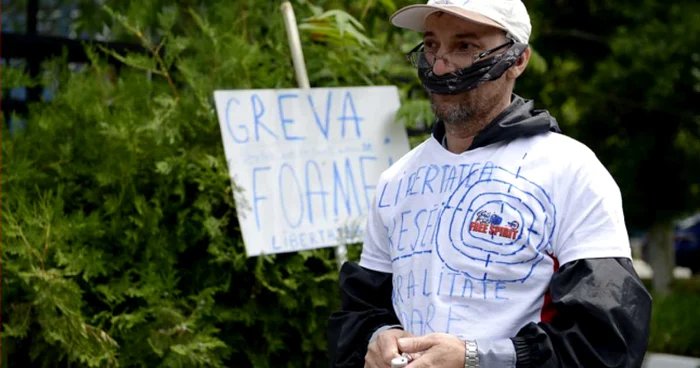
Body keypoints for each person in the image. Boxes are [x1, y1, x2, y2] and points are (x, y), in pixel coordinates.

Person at [327, 0, 653, 367]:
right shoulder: (396, 180)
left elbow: (608, 340)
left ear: (517, 60)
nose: (439, 65)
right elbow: (360, 310)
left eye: (465, 46)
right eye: (432, 44)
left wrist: (474, 358)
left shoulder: (571, 171)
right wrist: (376, 337)